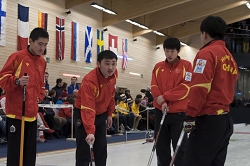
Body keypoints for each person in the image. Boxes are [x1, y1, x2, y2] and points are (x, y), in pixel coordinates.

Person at [183, 16, 238, 166]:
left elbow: (200, 87)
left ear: (204, 34)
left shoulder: (207, 53)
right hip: (224, 121)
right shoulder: (230, 58)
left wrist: (190, 115)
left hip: (208, 121)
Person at [0, 27, 49, 166]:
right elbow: (2, 78)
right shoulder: (17, 57)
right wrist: (16, 81)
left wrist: (39, 97)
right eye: (40, 44)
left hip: (32, 114)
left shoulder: (42, 62)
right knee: (15, 154)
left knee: (29, 153)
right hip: (16, 114)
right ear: (30, 41)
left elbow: (41, 84)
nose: (42, 48)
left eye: (45, 45)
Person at [151, 37, 192, 166]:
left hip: (179, 115)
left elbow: (186, 88)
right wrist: (161, 102)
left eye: (172, 51)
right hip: (160, 112)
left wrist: (166, 96)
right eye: (167, 51)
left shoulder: (187, 66)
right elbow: (154, 86)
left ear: (178, 51)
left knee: (180, 147)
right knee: (161, 147)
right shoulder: (158, 67)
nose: (169, 54)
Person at [74, 50, 118, 166]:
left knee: (101, 148)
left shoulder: (114, 75)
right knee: (84, 151)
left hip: (101, 113)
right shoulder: (89, 81)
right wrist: (90, 131)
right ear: (98, 64)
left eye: (113, 64)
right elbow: (88, 108)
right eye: (107, 63)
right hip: (84, 113)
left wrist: (109, 114)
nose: (110, 67)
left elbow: (111, 96)